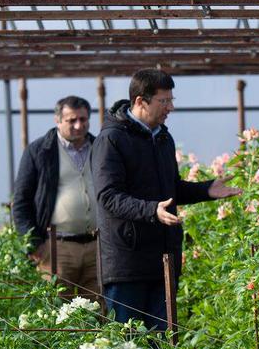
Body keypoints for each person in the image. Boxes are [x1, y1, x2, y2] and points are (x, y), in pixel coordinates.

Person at [92, 70, 240, 331]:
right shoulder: (112, 139)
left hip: (163, 259)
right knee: (129, 346)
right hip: (127, 263)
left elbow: (171, 189)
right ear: (140, 101)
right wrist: (151, 210)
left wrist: (207, 190)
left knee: (163, 345)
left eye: (171, 100)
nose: (170, 107)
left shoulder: (162, 138)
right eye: (164, 101)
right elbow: (108, 196)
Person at [12, 95, 102, 301]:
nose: (79, 125)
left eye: (83, 119)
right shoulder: (40, 151)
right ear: (58, 120)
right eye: (71, 120)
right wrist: (34, 243)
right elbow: (21, 201)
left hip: (96, 244)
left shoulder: (101, 148)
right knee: (56, 309)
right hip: (56, 246)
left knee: (98, 308)